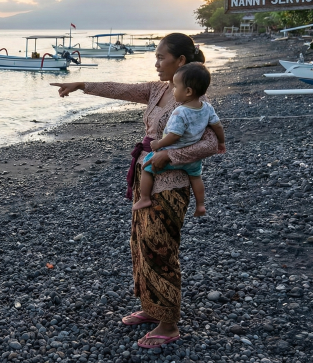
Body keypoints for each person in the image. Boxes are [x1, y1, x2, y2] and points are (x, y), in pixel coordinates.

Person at [51, 33, 223, 349]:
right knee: (141, 245)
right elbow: (120, 89)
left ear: (180, 61)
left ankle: (168, 323)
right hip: (145, 180)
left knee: (161, 250)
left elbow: (211, 143)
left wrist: (169, 155)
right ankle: (151, 307)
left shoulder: (193, 100)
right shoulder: (158, 89)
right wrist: (82, 85)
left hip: (171, 186)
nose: (156, 63)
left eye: (161, 57)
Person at [133, 62, 225, 216]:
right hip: (193, 159)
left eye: (175, 87)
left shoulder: (180, 112)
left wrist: (159, 143)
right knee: (196, 178)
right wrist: (221, 142)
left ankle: (144, 198)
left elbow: (174, 135)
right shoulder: (207, 107)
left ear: (188, 91)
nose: (173, 90)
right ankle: (200, 205)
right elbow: (218, 126)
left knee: (146, 168)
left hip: (172, 153)